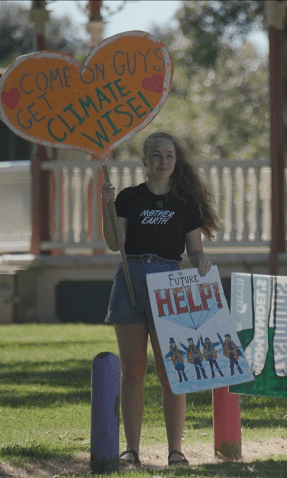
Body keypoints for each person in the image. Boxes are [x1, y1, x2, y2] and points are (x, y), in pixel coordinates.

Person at [102, 131, 219, 468]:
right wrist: (105, 206)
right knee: (133, 368)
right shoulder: (128, 198)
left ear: (175, 160)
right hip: (130, 280)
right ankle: (131, 450)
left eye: (168, 156)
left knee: (172, 370)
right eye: (156, 155)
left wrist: (201, 262)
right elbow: (114, 244)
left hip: (171, 283)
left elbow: (195, 251)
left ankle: (175, 450)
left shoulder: (185, 204)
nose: (163, 162)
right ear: (144, 160)